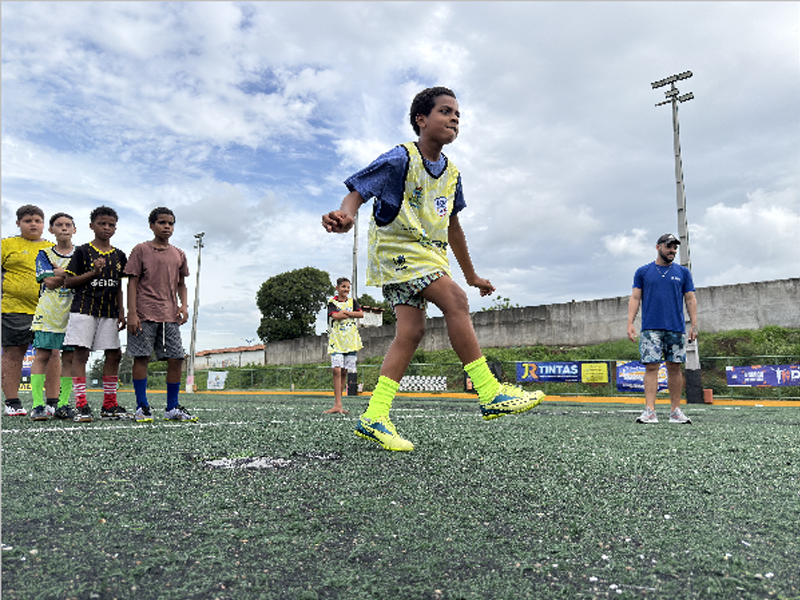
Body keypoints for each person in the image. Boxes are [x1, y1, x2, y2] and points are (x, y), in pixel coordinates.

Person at [322, 86, 544, 451]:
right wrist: (346, 215)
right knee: (454, 300)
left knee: (411, 331)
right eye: (445, 111)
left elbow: (453, 226)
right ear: (421, 120)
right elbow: (358, 190)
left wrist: (471, 274)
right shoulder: (399, 158)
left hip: (430, 255)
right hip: (397, 250)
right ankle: (490, 393)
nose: (454, 118)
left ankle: (375, 415)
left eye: (457, 114)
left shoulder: (453, 174)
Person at [124, 207, 196, 423]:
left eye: (171, 223)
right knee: (142, 357)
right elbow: (132, 282)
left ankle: (172, 408)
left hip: (170, 316)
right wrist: (132, 313)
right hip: (144, 313)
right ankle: (142, 407)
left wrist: (184, 306)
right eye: (162, 222)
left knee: (176, 358)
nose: (167, 226)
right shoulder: (141, 250)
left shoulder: (179, 254)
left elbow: (181, 283)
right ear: (151, 225)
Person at [63, 206, 130, 422]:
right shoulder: (82, 251)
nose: (107, 228)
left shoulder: (119, 255)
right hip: (84, 308)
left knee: (114, 354)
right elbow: (68, 281)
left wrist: (122, 311)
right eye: (102, 224)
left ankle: (109, 405)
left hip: (109, 311)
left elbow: (119, 285)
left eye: (111, 225)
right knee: (81, 353)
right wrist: (94, 272)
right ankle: (81, 404)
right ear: (92, 226)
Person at [627, 233, 697, 424]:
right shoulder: (643, 272)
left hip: (676, 328)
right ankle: (650, 411)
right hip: (651, 328)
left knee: (675, 367)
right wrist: (630, 323)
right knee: (651, 366)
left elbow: (690, 299)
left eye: (675, 247)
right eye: (669, 247)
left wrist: (694, 325)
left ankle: (675, 411)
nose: (672, 250)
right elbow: (635, 298)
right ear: (658, 247)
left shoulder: (683, 273)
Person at [2, 205, 54, 416]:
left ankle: (52, 402)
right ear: (18, 223)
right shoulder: (7, 245)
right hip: (14, 309)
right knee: (14, 354)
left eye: (37, 220)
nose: (33, 224)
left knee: (51, 354)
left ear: (44, 225)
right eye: (28, 220)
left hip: (49, 311)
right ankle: (12, 402)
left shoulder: (53, 247)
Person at [29, 212, 78, 421]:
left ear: (75, 229)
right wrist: (72, 276)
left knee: (70, 358)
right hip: (48, 312)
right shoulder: (44, 254)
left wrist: (62, 273)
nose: (64, 228)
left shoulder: (82, 254)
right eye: (59, 225)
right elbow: (48, 282)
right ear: (51, 230)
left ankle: (64, 404)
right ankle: (37, 405)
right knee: (42, 355)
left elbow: (86, 280)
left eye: (68, 224)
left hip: (74, 313)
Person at [324, 277, 363, 414]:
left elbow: (361, 314)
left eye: (348, 287)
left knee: (345, 371)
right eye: (343, 287)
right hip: (337, 341)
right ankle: (336, 404)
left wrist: (346, 313)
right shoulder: (331, 302)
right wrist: (350, 314)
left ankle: (340, 405)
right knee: (336, 370)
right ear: (337, 288)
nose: (346, 289)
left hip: (351, 341)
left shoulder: (353, 302)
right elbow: (335, 316)